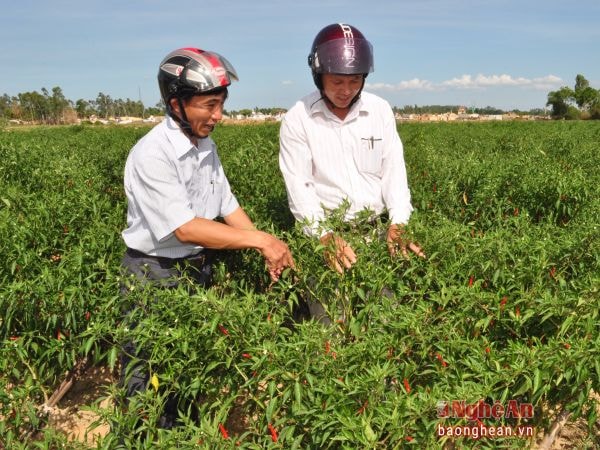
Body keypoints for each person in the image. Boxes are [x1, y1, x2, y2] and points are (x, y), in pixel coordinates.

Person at [119, 47, 295, 427]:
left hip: (195, 269)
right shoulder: (153, 153)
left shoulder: (205, 147)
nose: (218, 116)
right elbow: (186, 227)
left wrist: (273, 248)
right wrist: (262, 241)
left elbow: (227, 207)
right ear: (176, 103)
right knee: (145, 373)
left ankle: (183, 433)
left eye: (221, 105)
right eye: (209, 105)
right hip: (154, 273)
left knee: (186, 367)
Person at [279, 23, 425, 274]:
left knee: (386, 311)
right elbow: (300, 187)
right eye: (337, 81)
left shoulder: (379, 110)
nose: (346, 91)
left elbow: (394, 173)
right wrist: (324, 236)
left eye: (355, 80)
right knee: (330, 313)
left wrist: (399, 223)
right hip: (327, 239)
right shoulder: (298, 118)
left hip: (379, 234)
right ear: (318, 75)